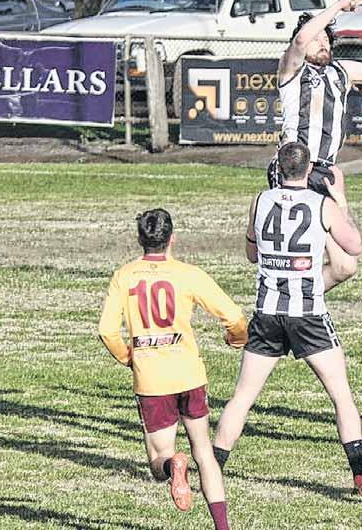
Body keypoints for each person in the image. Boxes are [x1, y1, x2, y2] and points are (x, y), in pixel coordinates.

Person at [213, 142, 362, 496]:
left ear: (278, 168)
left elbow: (251, 253)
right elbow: (354, 246)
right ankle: (360, 476)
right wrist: (341, 202)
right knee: (341, 396)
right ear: (309, 170)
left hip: (268, 313)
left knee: (242, 397)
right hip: (308, 314)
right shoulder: (322, 205)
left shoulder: (260, 200)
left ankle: (213, 472)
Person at [98, 209, 248, 530]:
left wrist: (129, 357)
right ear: (172, 239)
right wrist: (236, 339)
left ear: (140, 239)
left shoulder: (125, 276)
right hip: (189, 374)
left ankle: (173, 466)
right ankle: (222, 526)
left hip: (152, 379)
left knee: (158, 461)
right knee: (204, 452)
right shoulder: (188, 274)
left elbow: (107, 331)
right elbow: (235, 318)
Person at [268, 0, 362, 291]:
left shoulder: (341, 71)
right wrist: (341, 5)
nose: (322, 42)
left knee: (345, 265)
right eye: (317, 38)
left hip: (325, 171)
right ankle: (288, 304)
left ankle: (295, 299)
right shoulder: (292, 68)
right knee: (300, 252)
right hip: (295, 168)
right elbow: (300, 41)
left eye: (326, 38)